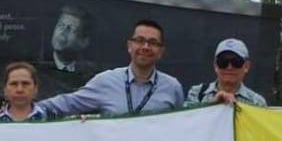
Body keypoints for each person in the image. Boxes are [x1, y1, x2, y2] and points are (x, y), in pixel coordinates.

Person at [37, 19, 183, 118]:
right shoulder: (105, 81)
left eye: (152, 42)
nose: (145, 47)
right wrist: (27, 111)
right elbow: (67, 103)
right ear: (129, 46)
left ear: (161, 51)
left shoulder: (172, 88)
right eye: (139, 40)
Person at [51, 5, 91, 73]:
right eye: (61, 25)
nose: (63, 32)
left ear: (83, 42)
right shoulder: (36, 62)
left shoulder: (87, 72)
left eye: (72, 29)